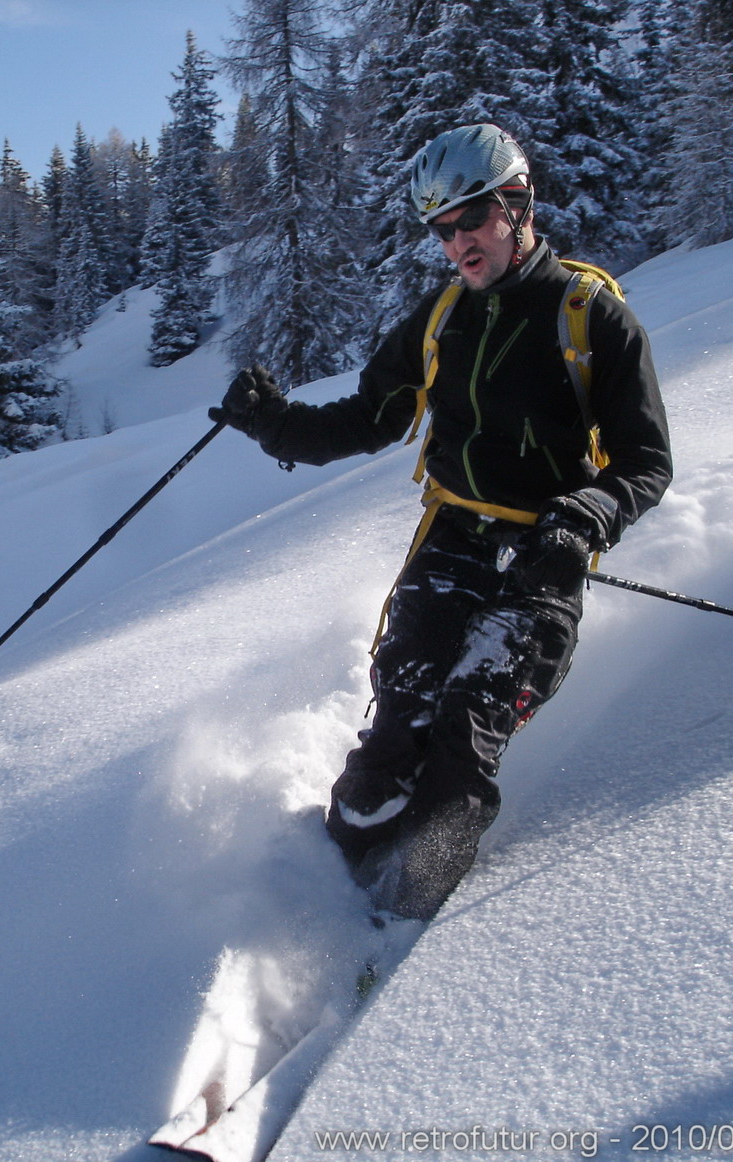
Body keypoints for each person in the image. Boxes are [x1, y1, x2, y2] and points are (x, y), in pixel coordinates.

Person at [210, 124, 673, 919]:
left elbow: (644, 462)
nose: (455, 240)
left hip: (539, 559)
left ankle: (407, 929)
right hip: (451, 542)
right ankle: (325, 909)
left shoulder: (591, 318)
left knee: (464, 732)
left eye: (469, 218)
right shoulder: (441, 317)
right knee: (393, 735)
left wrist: (581, 521)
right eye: (440, 227)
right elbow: (367, 419)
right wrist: (273, 424)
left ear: (517, 203)